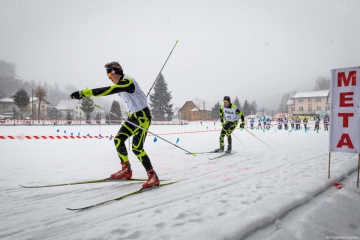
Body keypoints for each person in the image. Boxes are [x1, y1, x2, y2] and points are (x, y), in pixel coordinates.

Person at [69, 61, 159, 188]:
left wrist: (84, 93)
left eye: (110, 75)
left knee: (137, 148)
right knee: (118, 140)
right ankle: (126, 170)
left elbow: (108, 90)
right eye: (108, 76)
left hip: (143, 117)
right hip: (133, 117)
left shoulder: (127, 81)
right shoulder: (122, 84)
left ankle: (153, 176)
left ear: (117, 72)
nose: (109, 78)